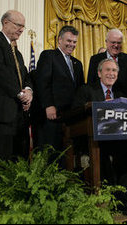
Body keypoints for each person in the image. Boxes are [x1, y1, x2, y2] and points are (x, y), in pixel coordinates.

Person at [73, 59, 127, 216]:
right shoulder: (86, 90)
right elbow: (76, 113)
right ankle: (119, 198)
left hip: (117, 139)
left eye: (114, 71)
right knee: (105, 151)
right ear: (99, 73)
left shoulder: (120, 94)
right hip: (93, 140)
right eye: (107, 70)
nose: (111, 74)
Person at [0, 10, 32, 175]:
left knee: (14, 162)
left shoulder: (18, 53)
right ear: (6, 23)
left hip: (17, 117)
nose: (21, 30)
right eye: (18, 25)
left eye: (23, 26)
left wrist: (29, 91)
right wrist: (20, 94)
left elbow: (25, 75)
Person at [30, 25, 84, 159]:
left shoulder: (77, 64)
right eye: (69, 41)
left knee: (64, 156)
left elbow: (80, 90)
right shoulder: (49, 55)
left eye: (74, 42)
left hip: (69, 118)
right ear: (59, 40)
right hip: (50, 116)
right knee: (47, 154)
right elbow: (42, 82)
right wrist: (48, 105)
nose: (72, 44)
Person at [87, 29, 127, 100]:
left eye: (119, 43)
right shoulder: (95, 59)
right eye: (113, 42)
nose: (116, 45)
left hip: (124, 104)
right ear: (106, 42)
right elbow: (91, 84)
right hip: (100, 103)